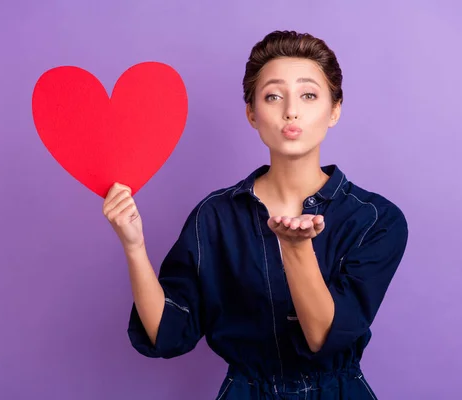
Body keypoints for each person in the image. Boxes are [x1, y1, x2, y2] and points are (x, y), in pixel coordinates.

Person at [102, 30, 409, 400]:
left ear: (335, 110)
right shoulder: (214, 216)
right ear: (252, 113)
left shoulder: (376, 220)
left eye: (308, 95)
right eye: (273, 96)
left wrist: (296, 249)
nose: (290, 111)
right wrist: (134, 246)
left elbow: (324, 338)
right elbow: (167, 333)